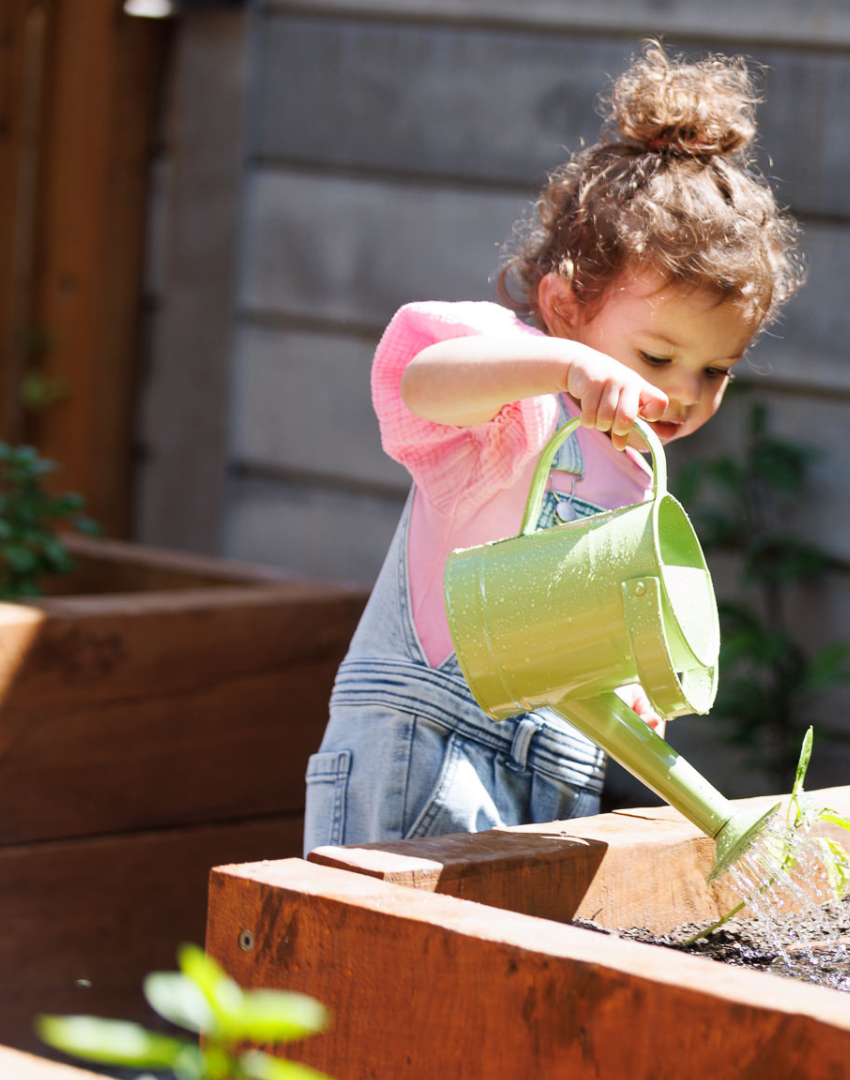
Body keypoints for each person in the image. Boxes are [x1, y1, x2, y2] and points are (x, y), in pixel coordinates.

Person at [302, 43, 801, 853]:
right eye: (656, 357)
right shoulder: (514, 403)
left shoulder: (634, 478)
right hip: (426, 759)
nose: (683, 391)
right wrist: (563, 367)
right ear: (565, 306)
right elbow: (420, 380)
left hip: (553, 783)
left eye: (716, 370)